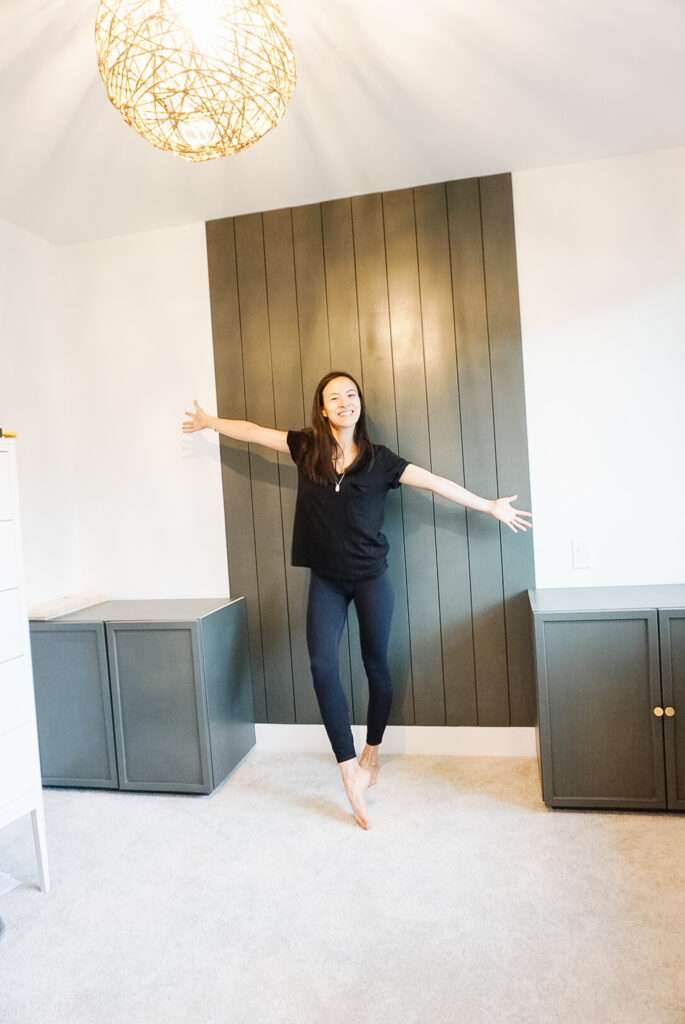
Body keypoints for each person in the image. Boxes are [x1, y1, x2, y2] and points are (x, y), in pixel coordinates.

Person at [183, 370, 532, 829]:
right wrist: (212, 422)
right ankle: (349, 768)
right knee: (322, 666)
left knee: (376, 667)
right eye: (334, 396)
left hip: (371, 578)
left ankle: (373, 749)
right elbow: (253, 431)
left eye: (351, 394)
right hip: (327, 580)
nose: (345, 401)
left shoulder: (379, 460)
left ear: (358, 404)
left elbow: (435, 482)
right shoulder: (306, 447)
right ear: (322, 409)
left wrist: (488, 505)